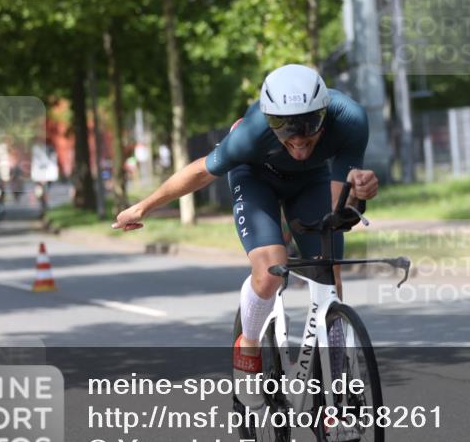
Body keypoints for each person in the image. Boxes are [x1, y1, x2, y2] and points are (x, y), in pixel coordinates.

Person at [112, 64, 378, 382]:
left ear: (324, 112)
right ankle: (249, 345)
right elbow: (199, 172)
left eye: (309, 124)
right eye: (283, 127)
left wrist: (359, 193)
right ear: (269, 119)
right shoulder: (252, 132)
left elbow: (339, 203)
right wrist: (143, 207)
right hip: (255, 178)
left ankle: (337, 380)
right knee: (269, 272)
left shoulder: (350, 119)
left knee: (328, 268)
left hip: (311, 181)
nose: (298, 138)